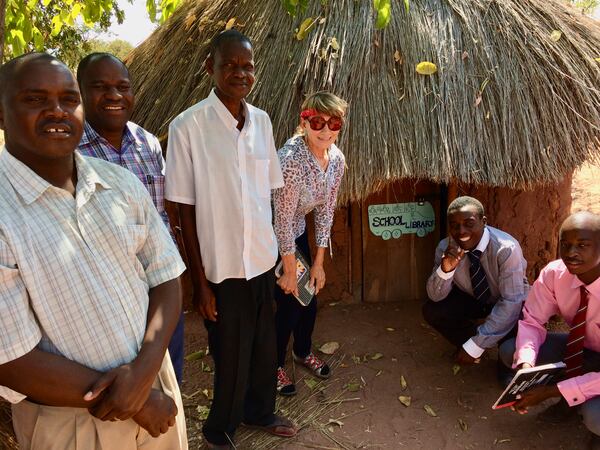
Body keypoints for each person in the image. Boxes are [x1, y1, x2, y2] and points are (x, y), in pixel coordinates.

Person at [0, 53, 187, 449]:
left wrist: (143, 377)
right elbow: (11, 359)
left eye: (69, 99)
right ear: (2, 113)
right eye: (35, 100)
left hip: (156, 394)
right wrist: (136, 400)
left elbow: (165, 277)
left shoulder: (119, 184)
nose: (57, 111)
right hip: (71, 424)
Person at [164, 30, 297, 449]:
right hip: (221, 266)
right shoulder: (187, 127)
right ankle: (218, 427)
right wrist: (198, 284)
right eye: (230, 65)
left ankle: (260, 411)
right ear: (211, 68)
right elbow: (181, 210)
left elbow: (270, 195)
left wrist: (282, 258)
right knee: (230, 351)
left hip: (261, 259)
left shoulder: (262, 121)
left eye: (247, 66)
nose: (240, 73)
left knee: (264, 344)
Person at [76, 52, 185, 384]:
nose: (114, 95)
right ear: (80, 92)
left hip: (161, 285)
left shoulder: (147, 143)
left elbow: (162, 215)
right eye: (100, 87)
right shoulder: (71, 153)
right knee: (122, 383)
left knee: (170, 377)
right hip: (109, 296)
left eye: (122, 86)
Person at [499, 211, 600, 449]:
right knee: (509, 351)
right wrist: (526, 366)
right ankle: (571, 398)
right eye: (565, 245)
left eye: (583, 245)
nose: (571, 254)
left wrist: (552, 391)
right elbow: (532, 320)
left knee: (595, 415)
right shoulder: (555, 274)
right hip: (584, 349)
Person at [272, 92, 347, 396]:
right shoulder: (291, 161)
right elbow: (281, 219)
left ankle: (302, 351)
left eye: (334, 122)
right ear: (304, 121)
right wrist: (290, 270)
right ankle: (273, 364)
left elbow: (326, 212)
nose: (326, 129)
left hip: (298, 226)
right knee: (291, 302)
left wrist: (318, 264)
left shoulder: (336, 159)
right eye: (317, 121)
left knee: (311, 294)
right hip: (271, 229)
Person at [423, 196, 529, 370]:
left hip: (508, 303)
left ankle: (486, 348)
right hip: (474, 298)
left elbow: (511, 301)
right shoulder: (445, 248)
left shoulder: (506, 249)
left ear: (483, 221)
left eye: (469, 223)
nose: (461, 231)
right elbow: (435, 296)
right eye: (454, 225)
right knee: (433, 310)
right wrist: (446, 270)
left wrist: (477, 344)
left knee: (507, 371)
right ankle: (469, 341)